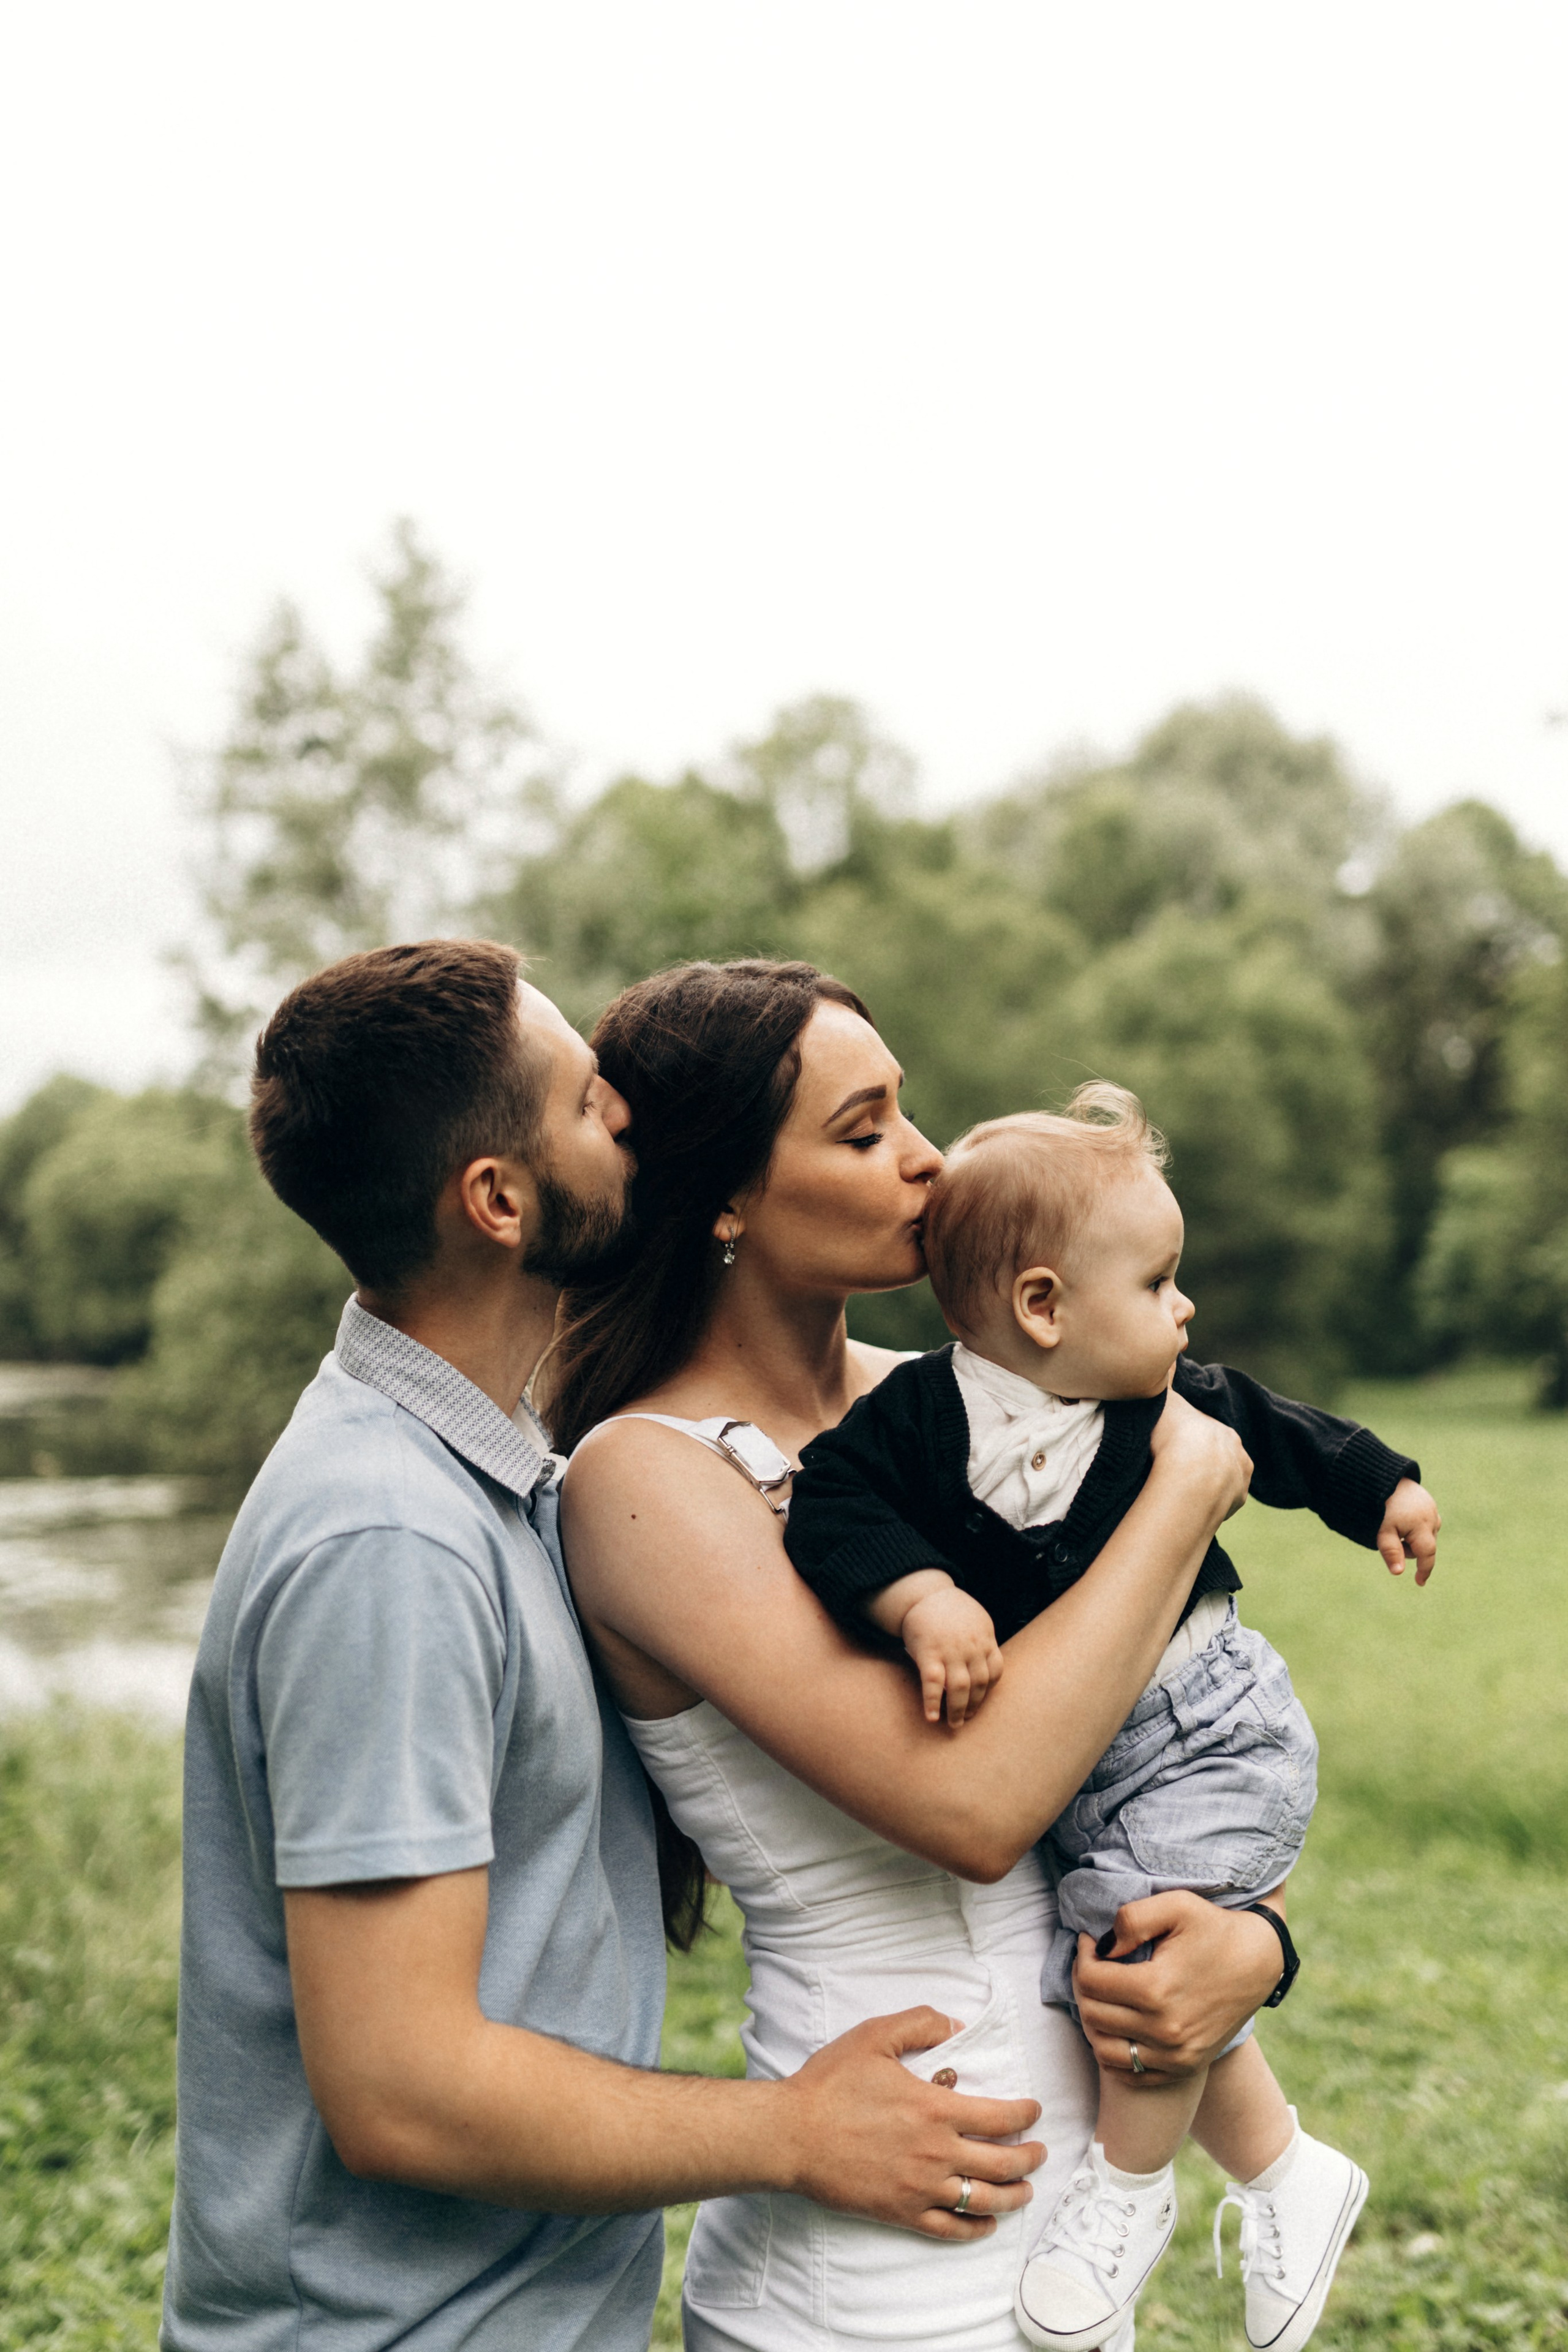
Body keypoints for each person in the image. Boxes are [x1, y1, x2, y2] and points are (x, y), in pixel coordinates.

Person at [160, 939, 1056, 2352]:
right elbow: (399, 2085)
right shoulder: (386, 1538)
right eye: (586, 1103)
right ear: (498, 1200)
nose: (626, 1116)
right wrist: (794, 2133)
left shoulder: (496, 1474)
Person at [551, 959, 1286, 2352]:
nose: (925, 1158)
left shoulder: (939, 1406)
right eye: (861, 1128)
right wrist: (1182, 1495)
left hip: (1079, 2210)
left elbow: (1180, 1719)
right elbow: (971, 1808)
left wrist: (1249, 1937)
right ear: (722, 1199)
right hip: (869, 2262)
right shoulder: (642, 1482)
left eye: (907, 1112)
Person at [783, 1084, 1442, 2352]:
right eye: (1155, 1284)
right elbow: (831, 1509)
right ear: (1039, 1306)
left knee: (1125, 1953)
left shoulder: (1170, 1402)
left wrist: (1384, 1493)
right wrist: (921, 1599)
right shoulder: (916, 1420)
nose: (1181, 1311)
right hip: (1080, 1762)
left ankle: (1129, 2193)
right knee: (1126, 1963)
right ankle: (1286, 2175)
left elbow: (1285, 1434)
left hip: (1205, 1722)